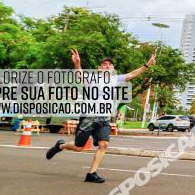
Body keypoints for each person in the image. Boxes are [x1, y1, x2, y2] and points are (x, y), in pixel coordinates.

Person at [46, 49, 155, 182]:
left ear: (113, 68)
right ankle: (60, 146)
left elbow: (132, 74)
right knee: (79, 147)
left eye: (110, 64)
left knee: (103, 145)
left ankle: (92, 173)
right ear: (99, 68)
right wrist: (77, 64)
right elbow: (79, 74)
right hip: (88, 118)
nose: (107, 66)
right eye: (104, 64)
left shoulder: (115, 79)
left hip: (104, 119)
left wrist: (147, 65)